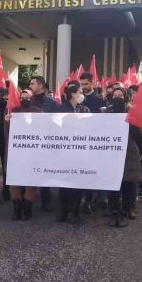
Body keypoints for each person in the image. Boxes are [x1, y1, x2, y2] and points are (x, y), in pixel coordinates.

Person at [107, 87, 142, 227]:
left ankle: (125, 211)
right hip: (111, 153)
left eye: (120, 96)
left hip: (129, 153)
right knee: (112, 186)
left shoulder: (133, 113)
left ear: (126, 98)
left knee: (128, 184)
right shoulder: (106, 113)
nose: (117, 98)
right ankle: (113, 212)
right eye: (115, 95)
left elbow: (141, 134)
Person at [4, 89, 42, 220]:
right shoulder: (13, 112)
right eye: (22, 97)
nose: (24, 99)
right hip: (16, 154)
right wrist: (7, 122)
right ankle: (16, 207)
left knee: (30, 182)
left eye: (27, 97)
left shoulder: (39, 112)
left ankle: (27, 208)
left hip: (33, 154)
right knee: (14, 181)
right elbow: (7, 134)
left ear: (32, 99)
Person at [56, 80, 90, 224]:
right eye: (79, 92)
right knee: (64, 184)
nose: (82, 95)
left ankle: (75, 211)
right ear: (72, 94)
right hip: (64, 152)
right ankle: (64, 211)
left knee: (77, 182)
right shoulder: (61, 109)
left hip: (79, 152)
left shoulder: (85, 110)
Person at [79, 72, 107, 214]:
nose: (83, 87)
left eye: (86, 84)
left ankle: (99, 198)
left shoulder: (100, 101)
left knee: (95, 170)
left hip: (95, 141)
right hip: (80, 141)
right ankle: (86, 199)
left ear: (92, 83)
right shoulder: (77, 99)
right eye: (81, 84)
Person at [28, 75, 57, 212]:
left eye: (33, 83)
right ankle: (27, 201)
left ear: (41, 85)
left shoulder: (50, 103)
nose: (30, 86)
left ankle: (46, 200)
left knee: (45, 172)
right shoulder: (27, 100)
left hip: (46, 142)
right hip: (29, 143)